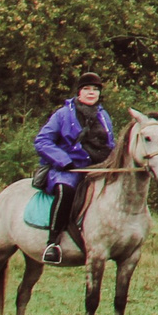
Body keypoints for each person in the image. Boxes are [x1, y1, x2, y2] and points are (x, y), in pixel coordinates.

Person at [33, 71, 114, 266]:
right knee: (66, 191)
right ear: (79, 92)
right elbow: (42, 141)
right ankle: (53, 243)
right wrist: (64, 160)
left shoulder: (104, 116)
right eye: (86, 88)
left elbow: (110, 144)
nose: (91, 92)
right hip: (67, 170)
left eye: (95, 89)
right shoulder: (62, 114)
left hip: (97, 169)